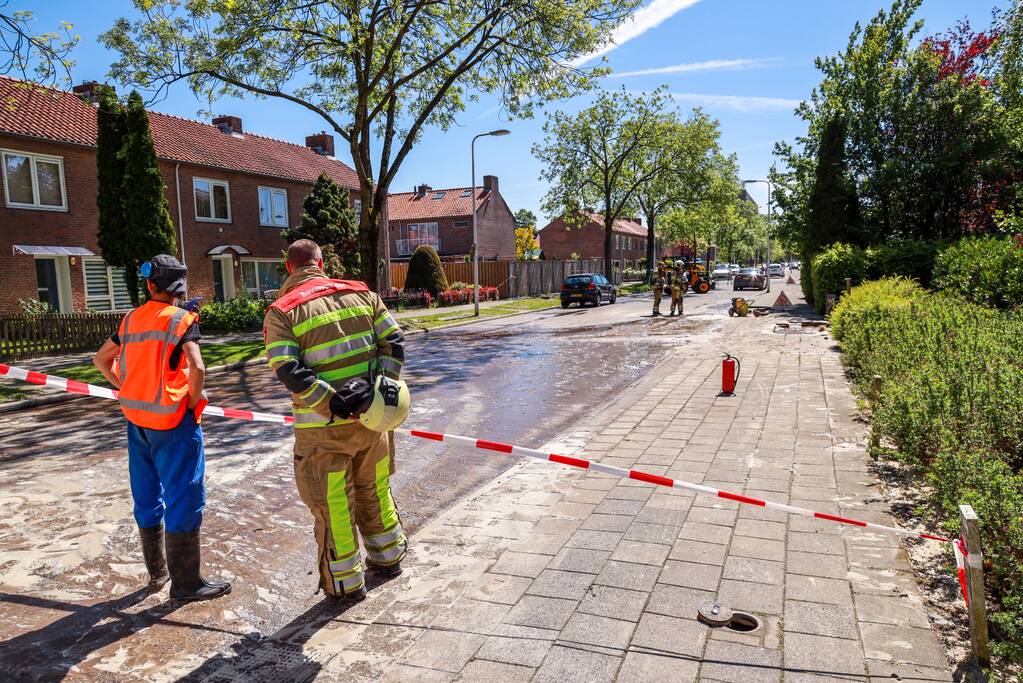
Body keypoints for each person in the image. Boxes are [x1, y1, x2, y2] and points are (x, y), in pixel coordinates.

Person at [263, 239, 408, 603]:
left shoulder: (282, 311)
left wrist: (332, 404)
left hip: (322, 433)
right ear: (322, 262)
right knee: (374, 490)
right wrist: (379, 389)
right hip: (373, 423)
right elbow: (394, 342)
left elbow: (288, 370)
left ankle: (345, 584)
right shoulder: (363, 294)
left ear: (289, 267)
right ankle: (389, 558)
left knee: (334, 506)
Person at [92, 254, 231, 602]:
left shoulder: (130, 319)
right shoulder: (181, 320)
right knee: (184, 495)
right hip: (172, 422)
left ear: (151, 285)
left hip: (136, 421)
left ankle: (157, 573)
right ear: (179, 288)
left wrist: (122, 386)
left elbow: (100, 359)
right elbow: (197, 367)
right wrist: (190, 401)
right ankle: (186, 584)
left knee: (146, 494)